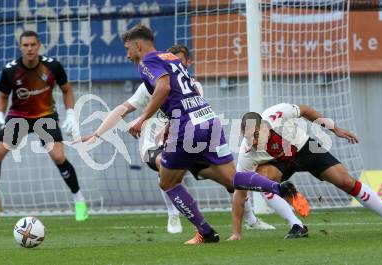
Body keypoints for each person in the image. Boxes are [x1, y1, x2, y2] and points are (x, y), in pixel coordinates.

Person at [121, 24, 307, 244]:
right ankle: (278, 187)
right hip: (208, 119)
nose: (127, 54)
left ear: (138, 44)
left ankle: (205, 232)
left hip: (187, 125)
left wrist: (141, 119)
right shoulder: (171, 58)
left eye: (127, 48)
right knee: (232, 178)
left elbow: (164, 89)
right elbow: (184, 90)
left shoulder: (148, 62)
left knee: (167, 183)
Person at [80, 44, 275, 235]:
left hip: (187, 138)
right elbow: (122, 109)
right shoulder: (149, 84)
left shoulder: (192, 85)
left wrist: (167, 127)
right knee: (166, 173)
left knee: (229, 181)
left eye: (180, 61)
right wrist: (98, 133)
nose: (176, 65)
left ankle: (245, 220)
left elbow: (187, 114)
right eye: (173, 60)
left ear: (186, 64)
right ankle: (174, 214)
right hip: (154, 145)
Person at [234, 102, 382, 238]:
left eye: (255, 135)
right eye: (248, 137)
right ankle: (297, 225)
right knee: (263, 181)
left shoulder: (277, 114)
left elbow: (305, 110)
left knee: (346, 182)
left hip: (304, 148)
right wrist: (237, 232)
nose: (253, 141)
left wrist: (335, 129)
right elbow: (240, 192)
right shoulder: (246, 155)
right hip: (278, 164)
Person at [0, 30, 88, 224]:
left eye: (33, 44)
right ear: (20, 47)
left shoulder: (53, 66)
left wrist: (71, 115)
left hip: (45, 117)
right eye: (25, 45)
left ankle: (79, 201)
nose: (29, 48)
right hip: (18, 118)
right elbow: (2, 96)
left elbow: (67, 90)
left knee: (58, 156)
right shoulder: (10, 70)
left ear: (39, 45)